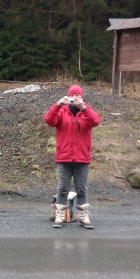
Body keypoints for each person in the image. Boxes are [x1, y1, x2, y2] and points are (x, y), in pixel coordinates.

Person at [43, 85, 101, 228]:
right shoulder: (62, 111)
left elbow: (95, 121)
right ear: (68, 97)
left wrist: (84, 108)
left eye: (77, 96)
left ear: (82, 97)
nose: (75, 98)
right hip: (64, 156)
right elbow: (49, 120)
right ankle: (60, 215)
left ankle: (83, 215)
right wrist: (57, 105)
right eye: (72, 96)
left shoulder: (86, 110)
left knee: (82, 189)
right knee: (62, 188)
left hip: (82, 157)